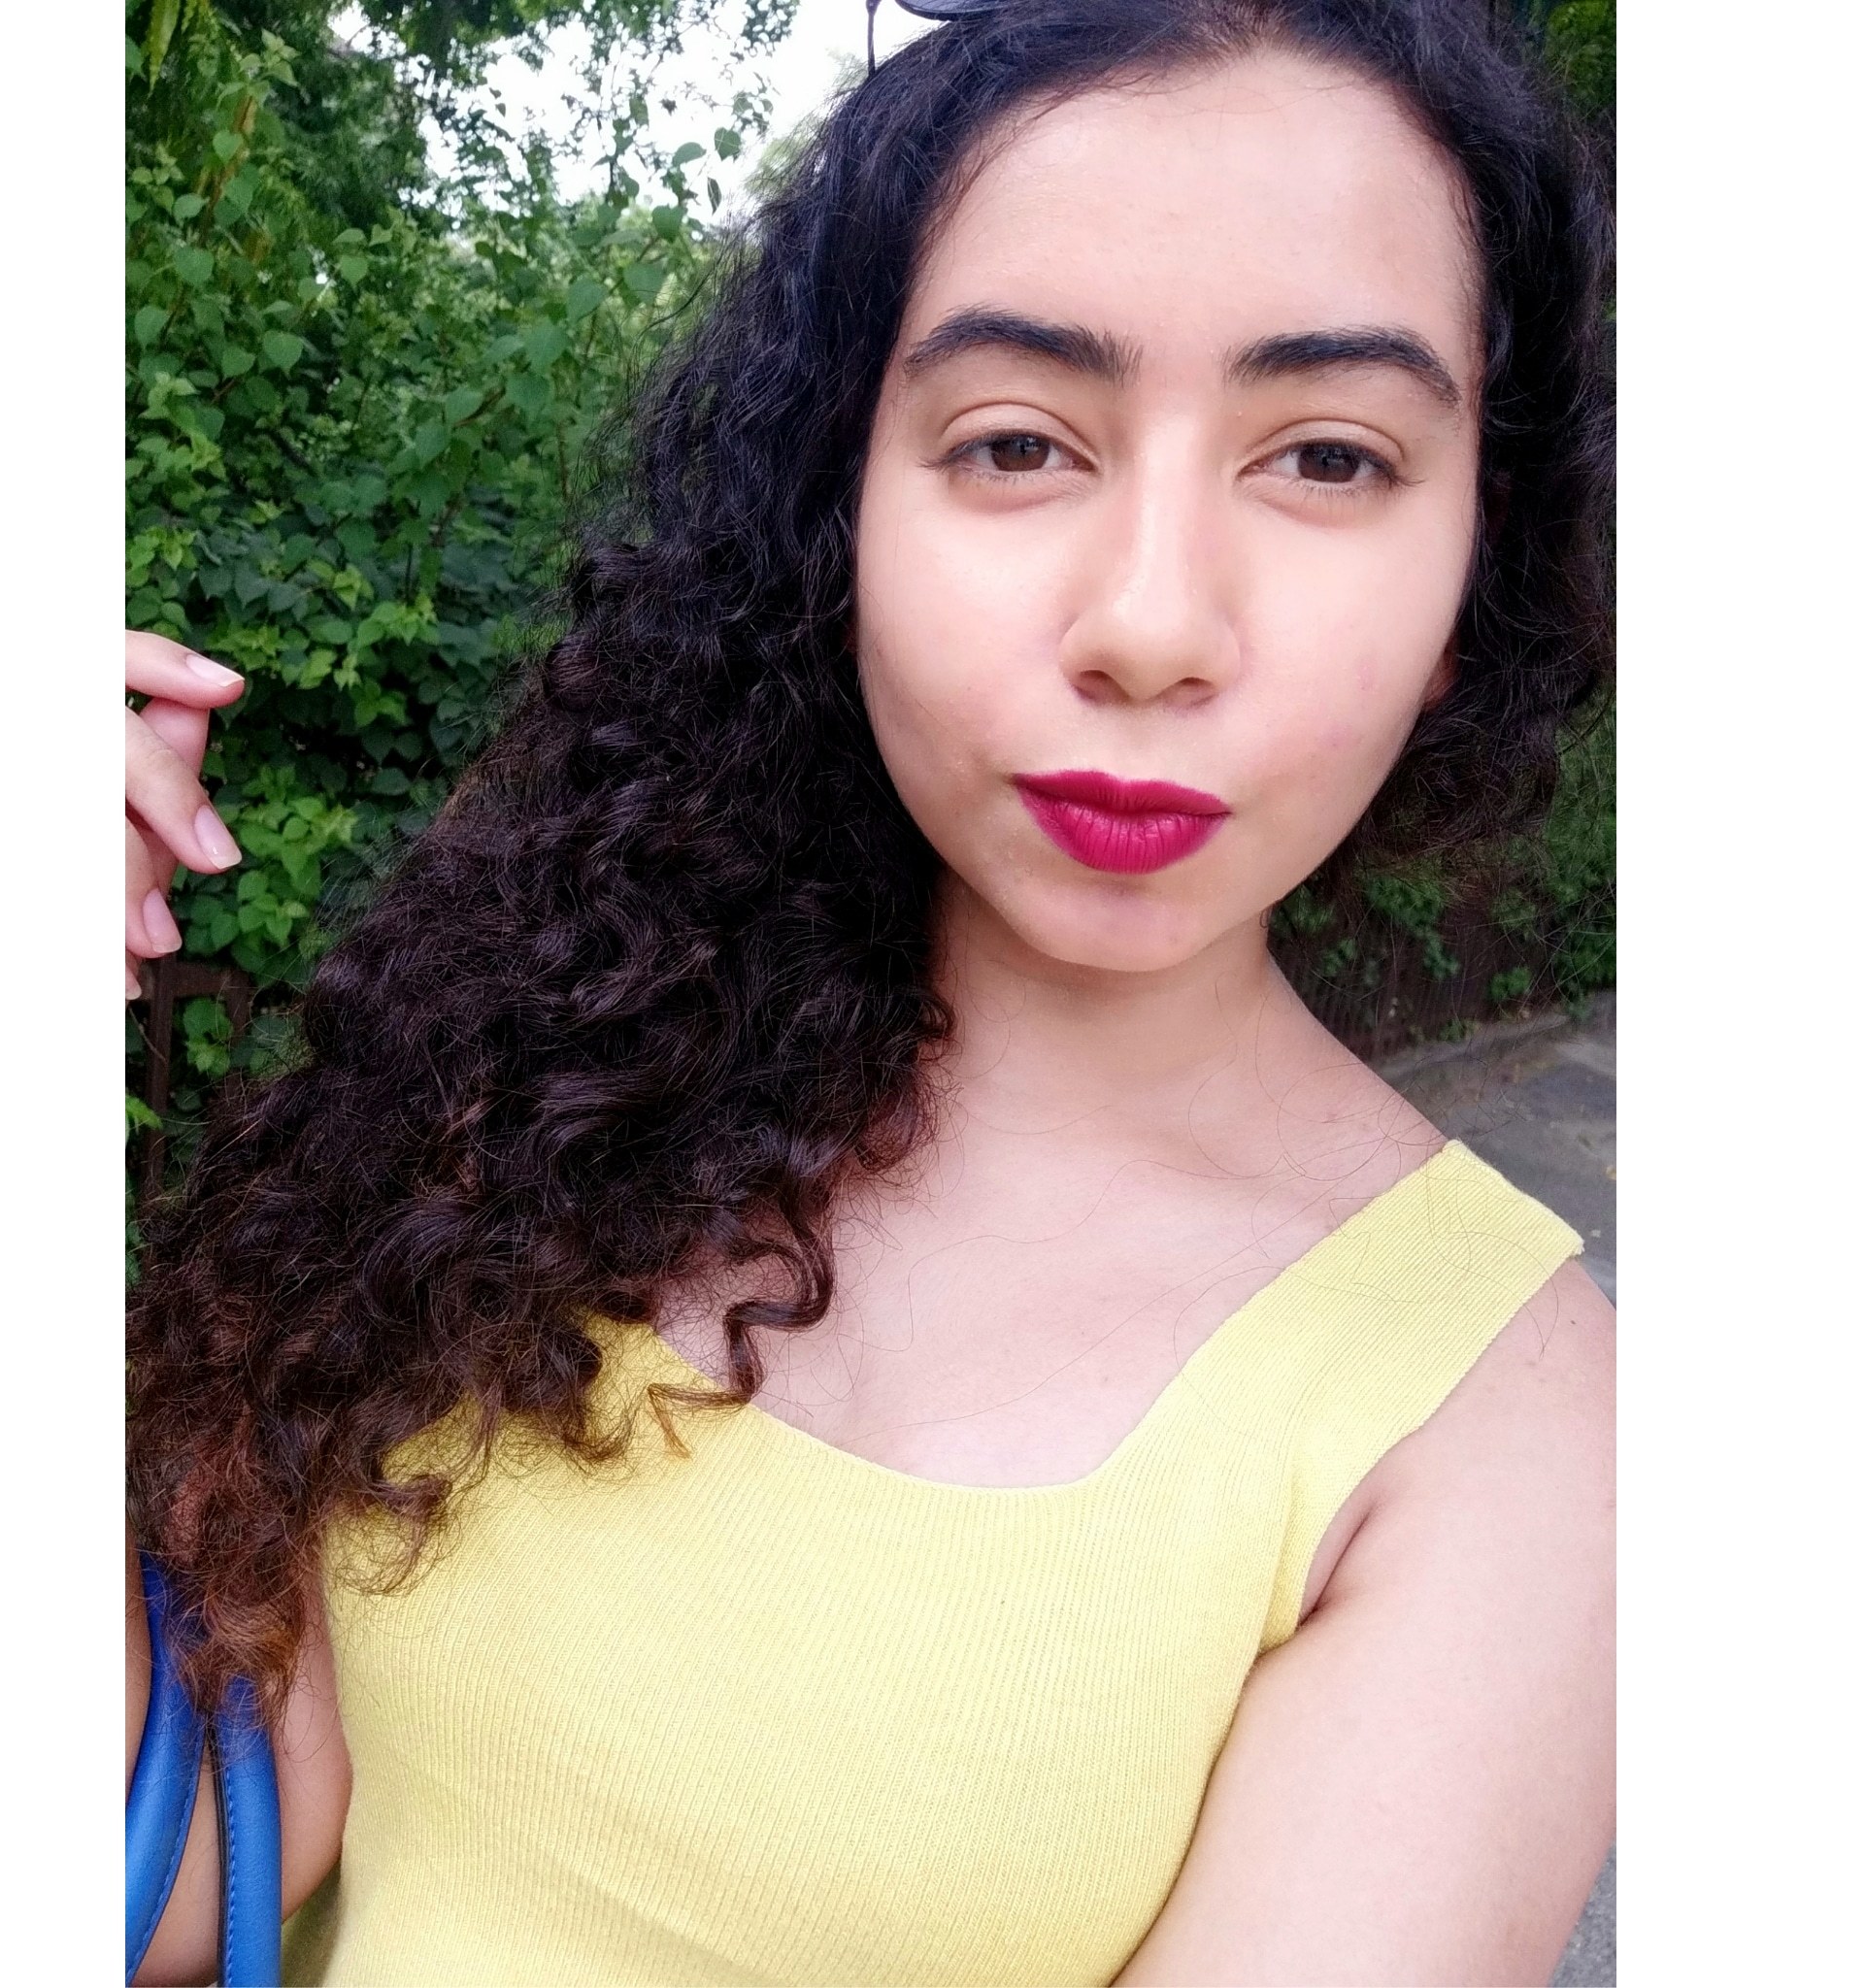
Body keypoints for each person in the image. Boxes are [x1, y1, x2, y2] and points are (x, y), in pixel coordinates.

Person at [125, 1, 1615, 1980]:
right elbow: (178, 1875)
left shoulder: (1501, 1423)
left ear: (1470, 577)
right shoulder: (564, 1071)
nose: (1152, 623)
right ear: (844, 518)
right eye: (1017, 443)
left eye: (1329, 457)